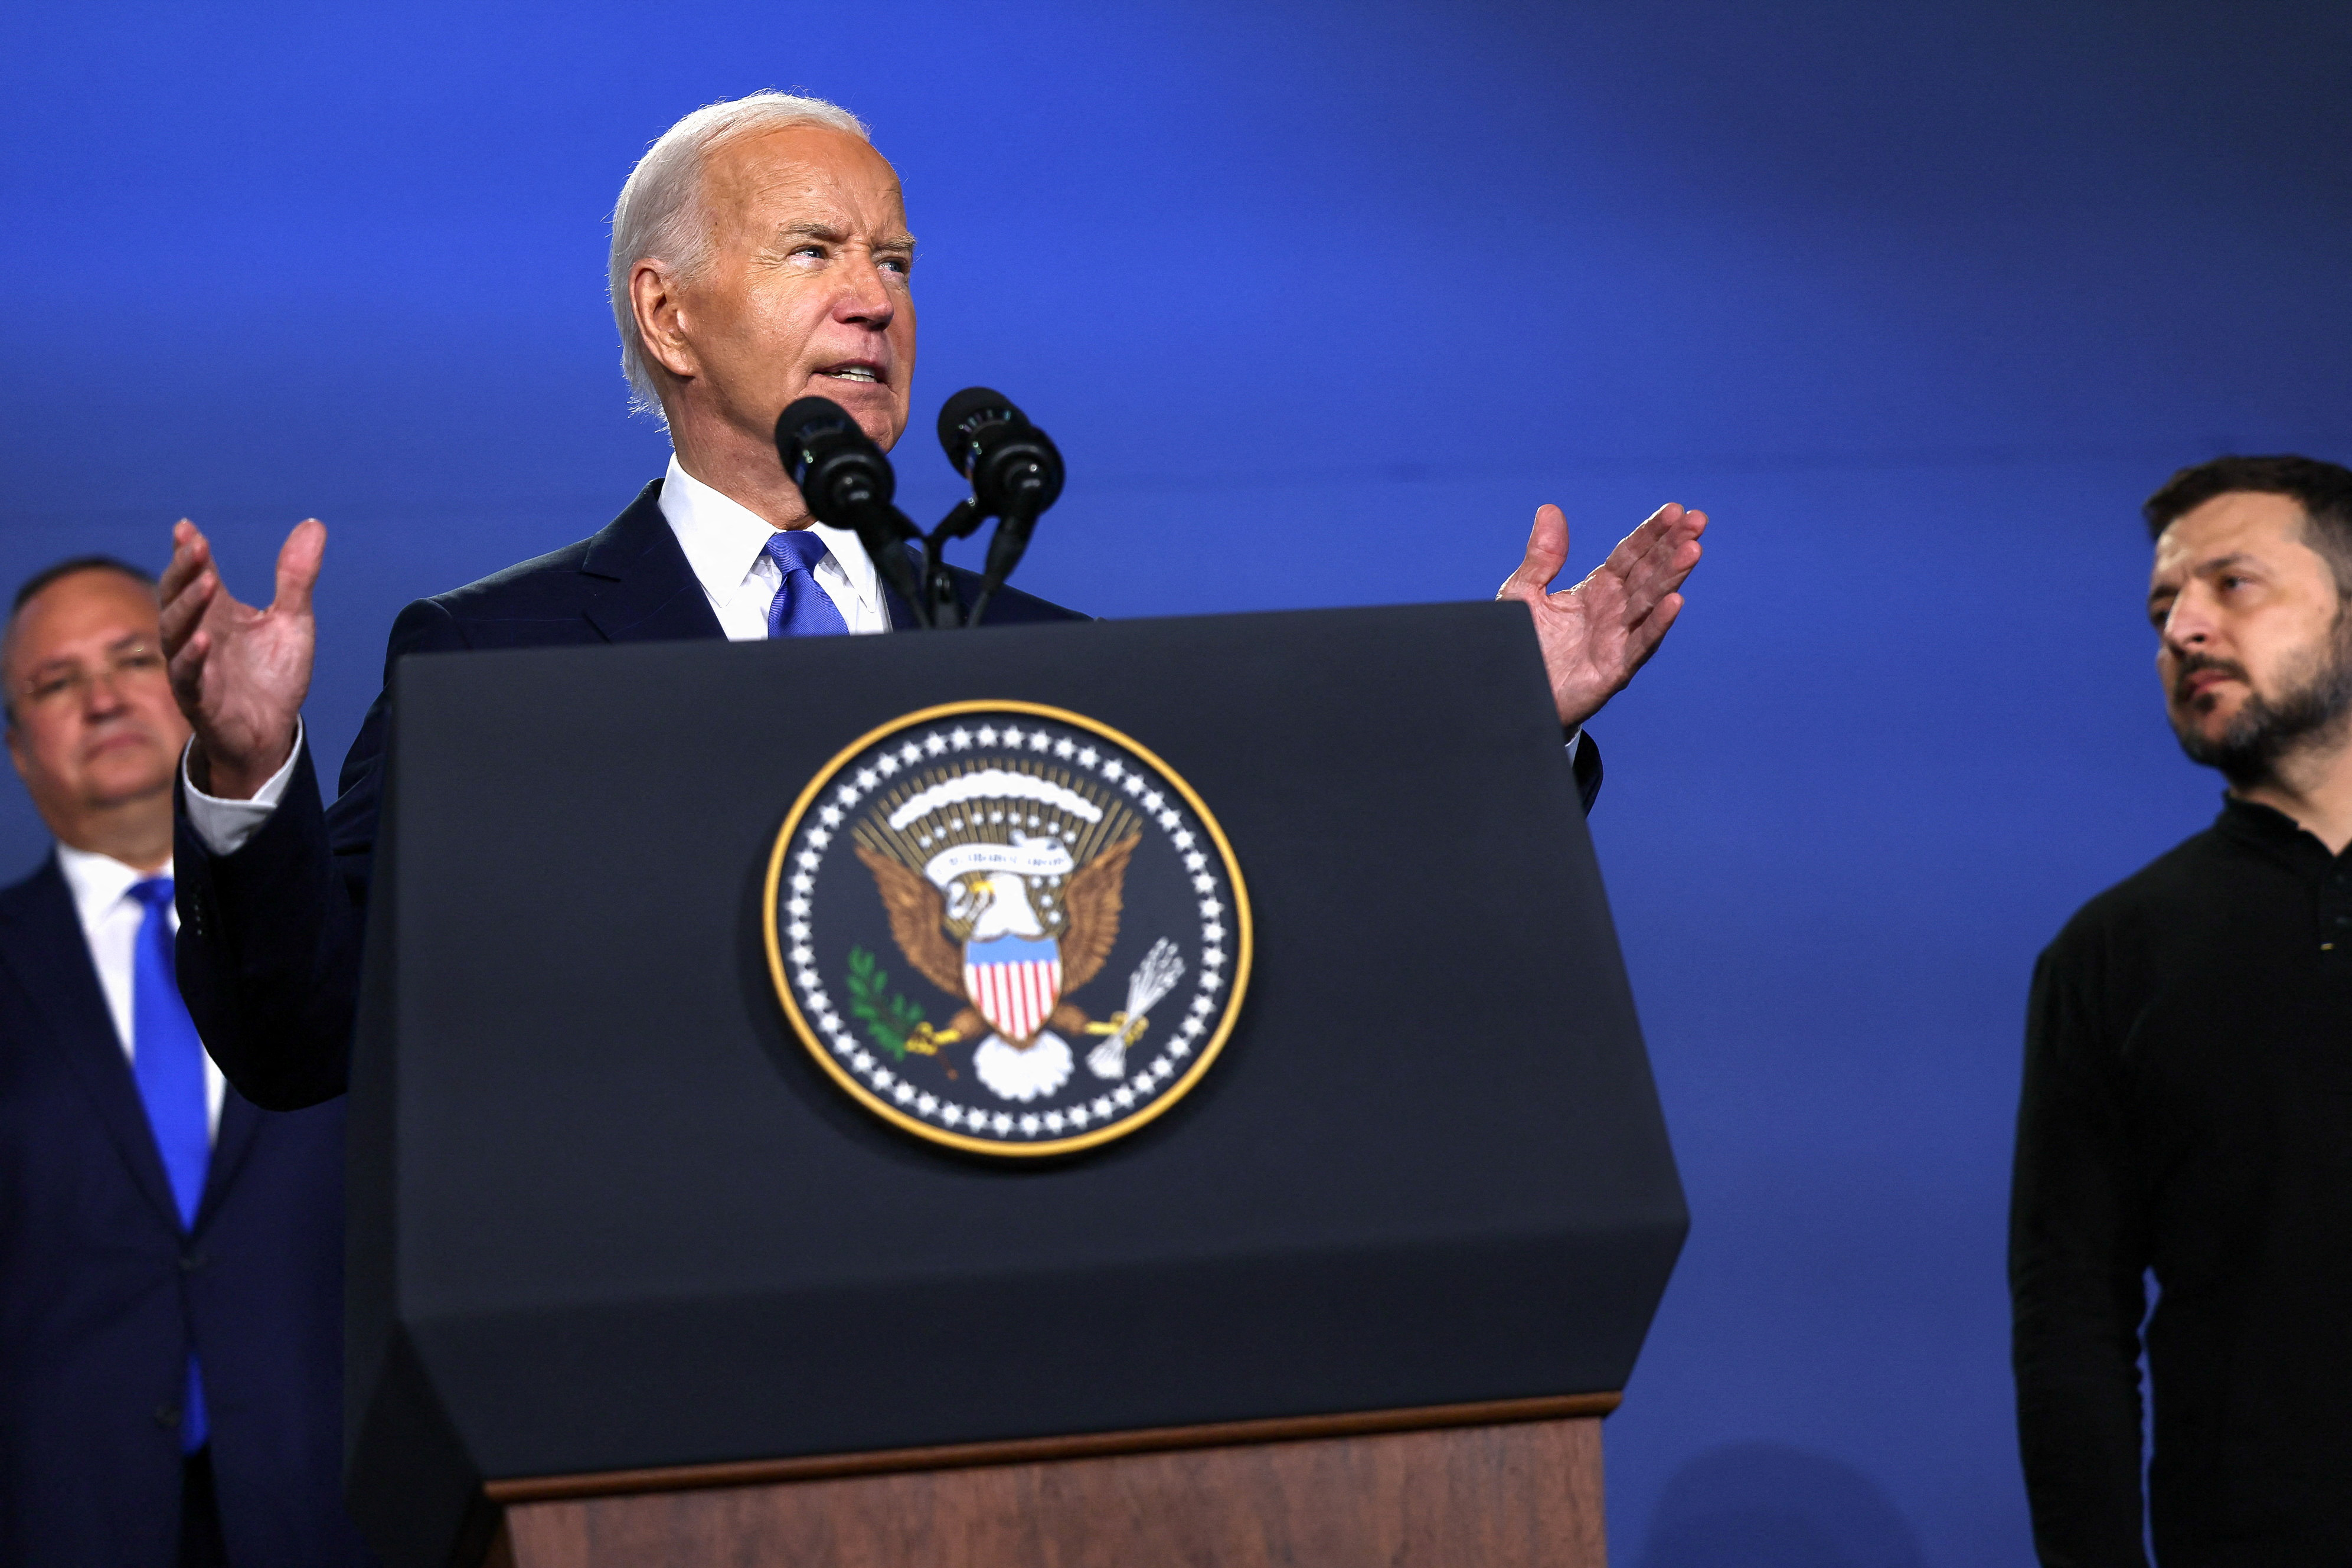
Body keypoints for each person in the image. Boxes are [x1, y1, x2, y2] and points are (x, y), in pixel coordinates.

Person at [158, 92, 1708, 1113]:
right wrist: (242, 778)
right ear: (669, 314)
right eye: (815, 250)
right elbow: (305, 1037)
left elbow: (1284, 933)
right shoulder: (491, 659)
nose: (876, 298)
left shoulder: (1036, 658)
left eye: (895, 258)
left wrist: (1496, 738)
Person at [2011, 453, 2352, 1565]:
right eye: (2164, 608)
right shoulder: (2110, 955)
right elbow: (2071, 1322)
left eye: (2232, 585)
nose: (2184, 631)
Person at [0, 558, 371, 1567]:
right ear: (18, 747)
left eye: (132, 659)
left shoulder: (351, 934)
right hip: (64, 1522)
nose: (105, 697)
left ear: (192, 682)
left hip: (351, 1511)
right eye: (55, 682)